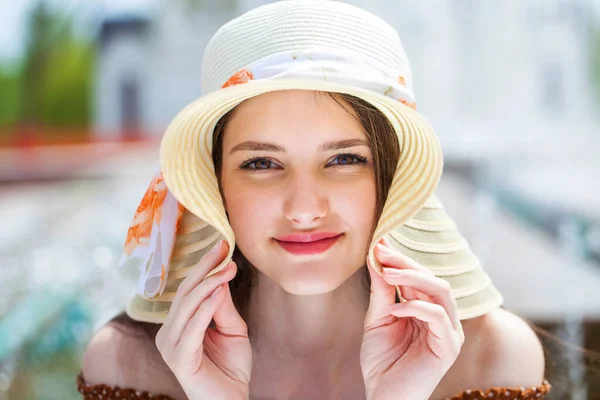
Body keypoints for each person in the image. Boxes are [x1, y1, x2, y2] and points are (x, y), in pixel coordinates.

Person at [78, 1, 552, 399]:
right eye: (261, 163)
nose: (304, 208)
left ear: (391, 177)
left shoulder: (494, 358)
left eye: (344, 159)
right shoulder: (126, 363)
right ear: (214, 184)